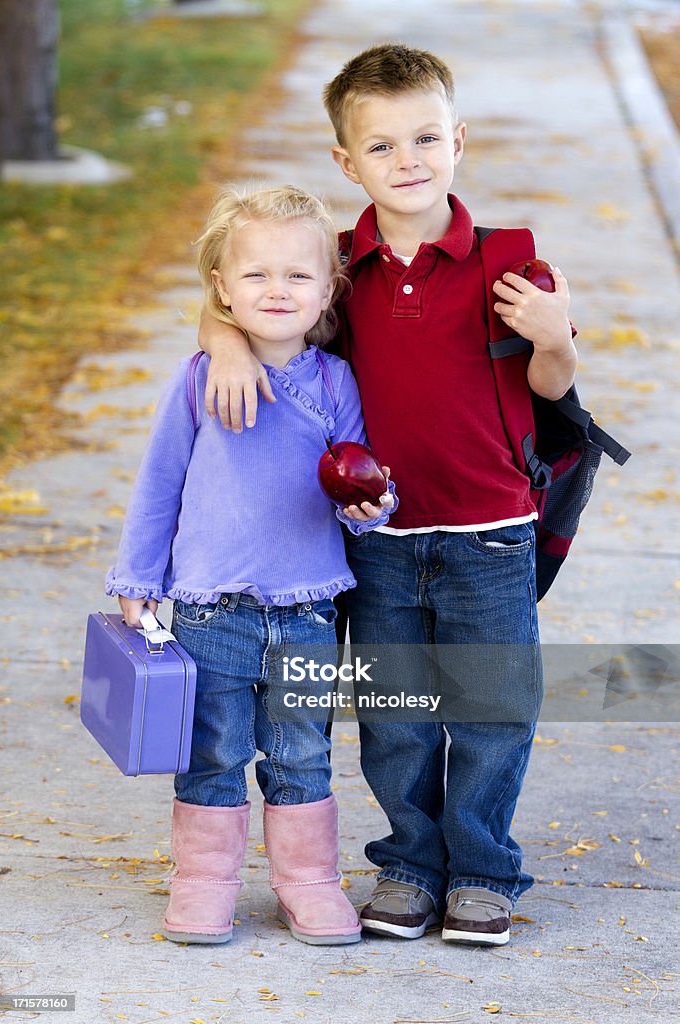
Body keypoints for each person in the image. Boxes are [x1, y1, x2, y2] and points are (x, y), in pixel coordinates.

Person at [197, 45, 578, 947]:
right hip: (377, 537)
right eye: (381, 147)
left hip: (491, 533)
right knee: (396, 714)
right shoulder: (336, 266)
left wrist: (556, 337)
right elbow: (242, 299)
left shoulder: (510, 261)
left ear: (458, 141)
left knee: (490, 710)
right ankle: (409, 864)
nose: (407, 160)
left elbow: (555, 389)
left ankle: (483, 870)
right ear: (345, 162)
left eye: (426, 138)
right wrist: (222, 343)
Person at [105, 184, 397, 947]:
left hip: (306, 611)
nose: (276, 290)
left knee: (302, 749)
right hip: (210, 610)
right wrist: (137, 580)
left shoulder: (336, 383)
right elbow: (159, 482)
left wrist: (372, 504)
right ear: (222, 290)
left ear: (328, 289)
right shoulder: (198, 378)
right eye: (257, 275)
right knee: (213, 750)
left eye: (298, 276)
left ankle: (308, 882)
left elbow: (359, 474)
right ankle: (204, 881)